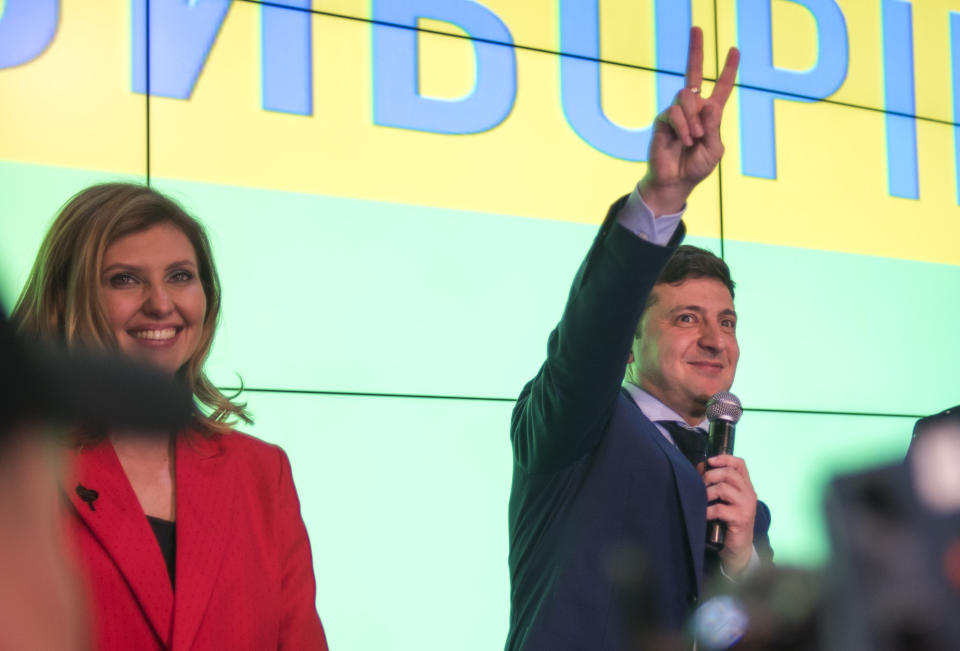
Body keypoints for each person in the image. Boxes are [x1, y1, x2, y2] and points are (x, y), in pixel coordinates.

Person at [505, 28, 771, 651]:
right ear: (629, 344)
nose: (713, 339)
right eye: (686, 318)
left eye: (726, 321)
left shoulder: (741, 506)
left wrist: (742, 568)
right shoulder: (579, 424)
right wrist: (663, 197)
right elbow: (590, 333)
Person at [11, 184, 329, 650]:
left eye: (180, 276)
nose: (162, 303)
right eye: (124, 279)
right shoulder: (19, 467)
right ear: (63, 300)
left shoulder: (262, 472)